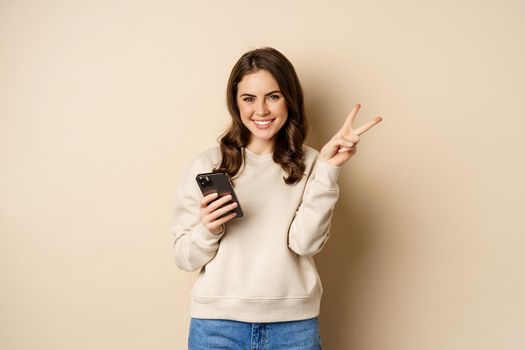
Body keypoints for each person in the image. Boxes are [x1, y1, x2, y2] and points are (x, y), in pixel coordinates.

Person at [171, 46, 382, 349]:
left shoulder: (314, 163)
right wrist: (209, 229)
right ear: (235, 102)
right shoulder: (208, 165)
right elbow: (183, 257)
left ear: (290, 99)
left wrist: (328, 171)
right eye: (248, 98)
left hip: (293, 328)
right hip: (217, 327)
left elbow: (305, 243)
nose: (261, 111)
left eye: (273, 96)